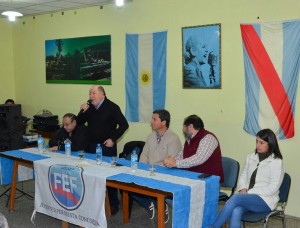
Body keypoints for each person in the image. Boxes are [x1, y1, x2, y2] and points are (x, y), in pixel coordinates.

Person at [210, 129, 284, 228]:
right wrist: (242, 188)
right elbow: (243, 175)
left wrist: (249, 192)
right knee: (237, 210)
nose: (258, 145)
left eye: (262, 143)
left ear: (270, 144)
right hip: (246, 197)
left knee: (235, 198)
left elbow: (273, 188)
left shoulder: (277, 162)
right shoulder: (251, 157)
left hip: (265, 200)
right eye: (257, 141)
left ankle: (214, 226)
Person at [77, 85, 129, 215]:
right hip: (91, 146)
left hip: (107, 147)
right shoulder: (89, 108)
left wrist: (113, 139)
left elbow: (124, 124)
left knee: (108, 176)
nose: (91, 96)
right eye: (90, 94)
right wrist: (82, 111)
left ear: (102, 94)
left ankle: (113, 204)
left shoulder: (112, 107)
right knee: (91, 174)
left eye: (93, 93)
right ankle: (94, 202)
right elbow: (78, 123)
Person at [132, 109, 182, 221]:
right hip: (149, 171)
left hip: (164, 173)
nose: (151, 121)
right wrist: (140, 171)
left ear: (163, 122)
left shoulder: (173, 138)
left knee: (153, 186)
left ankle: (161, 204)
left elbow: (171, 162)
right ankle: (148, 204)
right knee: (129, 184)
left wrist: (152, 173)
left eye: (154, 119)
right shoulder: (150, 136)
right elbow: (144, 156)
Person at [164, 114, 224, 183]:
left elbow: (199, 159)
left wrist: (176, 163)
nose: (182, 129)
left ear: (190, 127)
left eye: (184, 127)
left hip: (208, 180)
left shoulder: (208, 138)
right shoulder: (189, 139)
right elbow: (182, 155)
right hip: (193, 178)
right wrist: (171, 161)